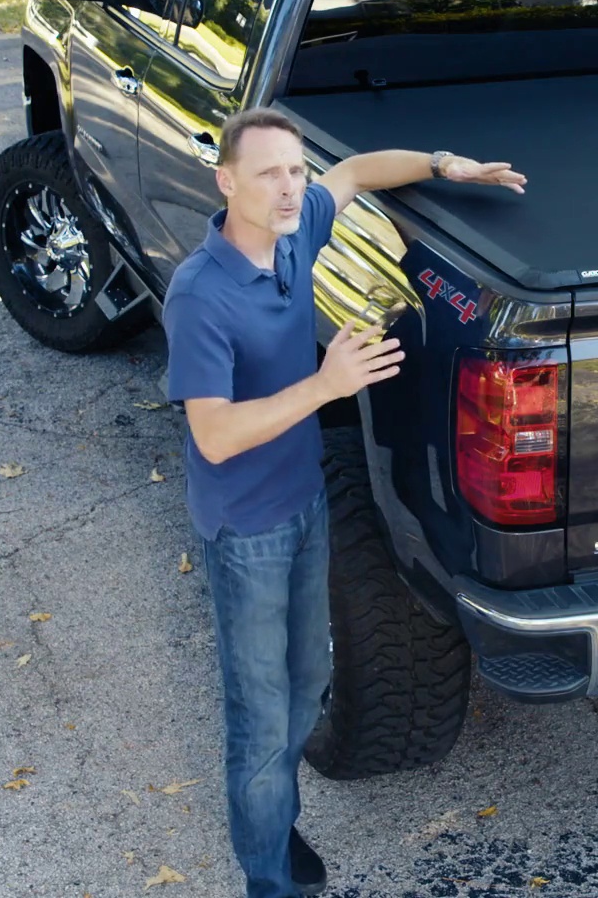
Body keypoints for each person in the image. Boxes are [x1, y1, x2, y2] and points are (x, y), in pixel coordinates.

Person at [162, 107, 525, 897]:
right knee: (260, 720)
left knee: (300, 691)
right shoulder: (201, 295)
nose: (290, 188)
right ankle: (268, 877)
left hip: (305, 508)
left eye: (294, 170)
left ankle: (273, 817)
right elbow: (216, 435)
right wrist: (327, 384)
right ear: (227, 182)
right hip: (247, 532)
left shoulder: (294, 233)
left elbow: (357, 173)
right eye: (269, 174)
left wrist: (442, 161)